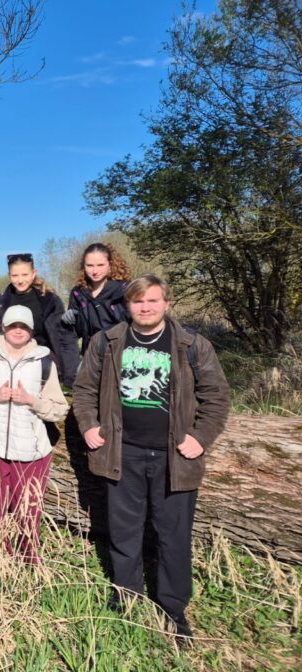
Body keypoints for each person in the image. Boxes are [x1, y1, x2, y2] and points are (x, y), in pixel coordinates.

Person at [73, 274, 230, 642]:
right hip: (120, 454)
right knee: (123, 532)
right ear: (128, 305)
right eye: (138, 302)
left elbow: (217, 397)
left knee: (173, 536)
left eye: (153, 301)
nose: (145, 307)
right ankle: (127, 597)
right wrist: (88, 425)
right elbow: (83, 390)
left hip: (175, 458)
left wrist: (201, 437)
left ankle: (173, 608)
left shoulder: (192, 345)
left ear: (166, 303)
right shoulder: (106, 342)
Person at [0, 305, 68, 564]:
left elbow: (59, 409)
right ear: (4, 328)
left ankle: (28, 561)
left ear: (30, 329)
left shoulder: (44, 362)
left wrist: (32, 401)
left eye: (23, 326)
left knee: (28, 511)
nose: (17, 331)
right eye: (12, 326)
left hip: (32, 452)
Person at [0, 253, 79, 387]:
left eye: (25, 275)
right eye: (15, 276)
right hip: (11, 354)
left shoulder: (50, 300)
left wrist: (71, 376)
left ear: (33, 273)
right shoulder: (1, 302)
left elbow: (64, 338)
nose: (20, 280)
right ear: (9, 276)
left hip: (43, 355)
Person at [63, 242, 131, 351]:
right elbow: (76, 333)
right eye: (90, 265)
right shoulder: (78, 293)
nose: (95, 271)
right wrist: (69, 321)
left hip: (121, 351)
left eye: (100, 265)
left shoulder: (126, 290)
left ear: (110, 264)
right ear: (83, 266)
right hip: (90, 354)